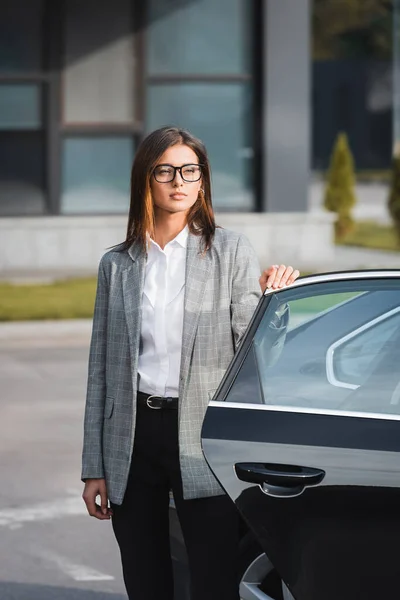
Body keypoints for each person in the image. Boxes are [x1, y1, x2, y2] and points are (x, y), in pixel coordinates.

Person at [81, 126, 300, 600]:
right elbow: (100, 370)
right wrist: (93, 465)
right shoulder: (116, 264)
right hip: (133, 437)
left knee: (213, 578)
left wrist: (274, 305)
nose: (178, 180)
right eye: (165, 170)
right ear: (146, 179)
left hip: (202, 435)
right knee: (144, 578)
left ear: (202, 181)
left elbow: (254, 349)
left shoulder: (230, 250)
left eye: (190, 170)